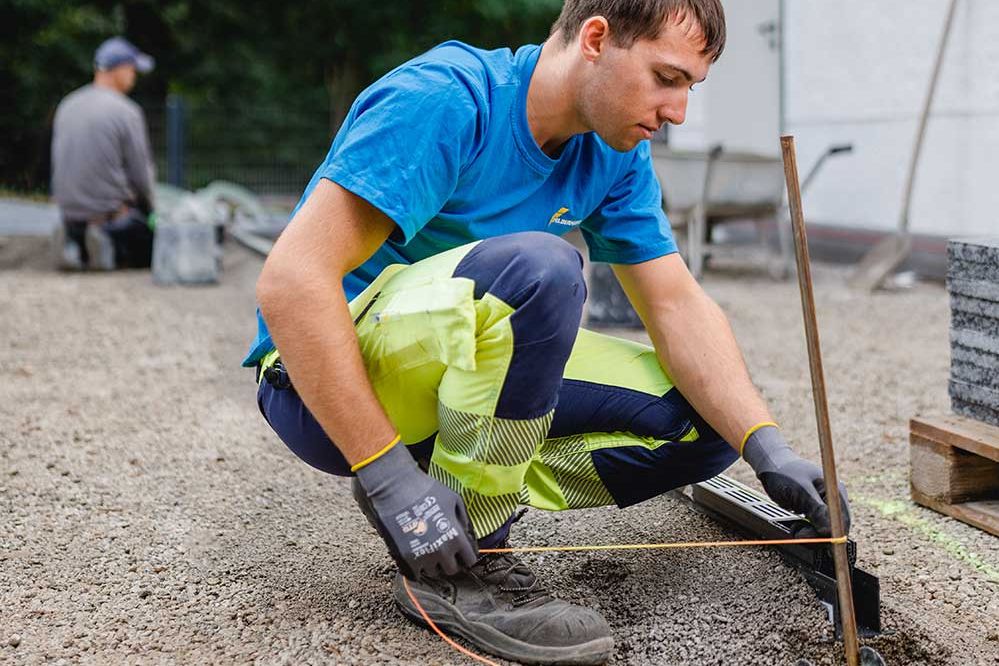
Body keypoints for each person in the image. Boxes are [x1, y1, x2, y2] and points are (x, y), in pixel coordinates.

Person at [248, 1, 852, 663]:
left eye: (688, 88)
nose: (676, 111)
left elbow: (676, 304)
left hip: (456, 369)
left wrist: (767, 450)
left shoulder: (614, 152)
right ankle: (460, 570)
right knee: (542, 270)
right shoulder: (444, 101)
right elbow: (291, 284)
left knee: (708, 428)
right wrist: (391, 482)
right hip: (321, 388)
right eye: (666, 78)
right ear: (596, 38)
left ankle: (455, 493)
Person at [51, 36, 157, 270]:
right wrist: (152, 211)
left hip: (68, 215)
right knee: (154, 240)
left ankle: (77, 242)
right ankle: (106, 242)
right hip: (111, 219)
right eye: (131, 69)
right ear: (117, 69)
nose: (134, 76)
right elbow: (141, 175)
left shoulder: (67, 104)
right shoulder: (126, 111)